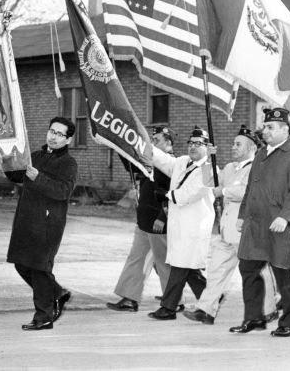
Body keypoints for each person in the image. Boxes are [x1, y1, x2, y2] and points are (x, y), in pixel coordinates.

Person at [183, 125, 278, 325]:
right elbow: (210, 183)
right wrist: (208, 160)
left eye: (238, 144)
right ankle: (206, 310)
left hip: (247, 230)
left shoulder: (258, 167)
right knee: (217, 270)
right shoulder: (228, 168)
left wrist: (224, 192)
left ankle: (269, 309)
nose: (233, 147)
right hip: (227, 231)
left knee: (258, 271)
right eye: (233, 144)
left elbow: (248, 192)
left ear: (252, 147)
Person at [230, 108, 290, 337]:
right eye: (265, 126)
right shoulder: (261, 154)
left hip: (279, 225)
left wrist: (286, 216)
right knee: (248, 269)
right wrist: (242, 215)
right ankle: (253, 318)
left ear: (285, 129)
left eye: (271, 127)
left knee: (284, 276)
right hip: (255, 225)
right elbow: (251, 188)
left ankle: (288, 323)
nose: (265, 131)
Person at [3, 117, 77, 331]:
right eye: (51, 131)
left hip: (47, 222)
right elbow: (16, 175)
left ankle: (43, 316)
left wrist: (38, 177)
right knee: (21, 263)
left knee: (39, 267)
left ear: (68, 140)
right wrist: (6, 157)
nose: (53, 137)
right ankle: (57, 293)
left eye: (60, 134)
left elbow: (63, 191)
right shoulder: (35, 156)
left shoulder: (68, 163)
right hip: (27, 218)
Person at [147, 127, 215, 320]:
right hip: (180, 227)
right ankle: (211, 301)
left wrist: (167, 194)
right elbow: (162, 160)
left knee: (180, 266)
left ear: (207, 147)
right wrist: (144, 144)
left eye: (198, 143)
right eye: (191, 143)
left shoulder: (210, 170)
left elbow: (189, 194)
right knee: (189, 269)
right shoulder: (182, 162)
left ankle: (168, 308)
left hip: (194, 227)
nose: (193, 147)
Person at [106, 126, 176, 312]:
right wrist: (118, 146)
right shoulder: (151, 161)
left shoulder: (173, 164)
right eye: (151, 139)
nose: (152, 143)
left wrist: (163, 217)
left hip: (160, 222)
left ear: (169, 143)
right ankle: (129, 298)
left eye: (157, 140)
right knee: (136, 259)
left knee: (164, 263)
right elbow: (132, 165)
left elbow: (173, 195)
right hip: (145, 219)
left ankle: (174, 301)